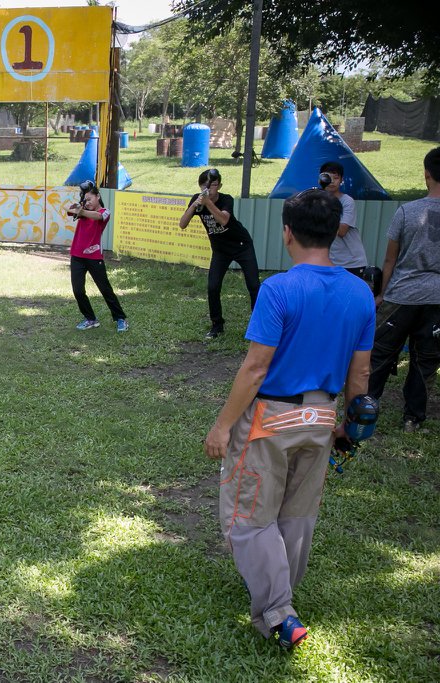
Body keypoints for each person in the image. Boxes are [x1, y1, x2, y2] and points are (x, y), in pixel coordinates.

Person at [203, 190, 374, 648]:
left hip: (270, 416)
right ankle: (280, 590)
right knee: (297, 512)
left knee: (248, 514)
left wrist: (222, 426)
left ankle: (279, 612)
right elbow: (361, 373)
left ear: (288, 233)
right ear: (334, 232)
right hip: (323, 415)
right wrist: (349, 428)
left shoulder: (280, 289)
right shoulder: (360, 292)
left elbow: (256, 368)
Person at [367, 147, 440, 433]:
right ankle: (413, 419)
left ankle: (366, 410)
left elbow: (390, 259)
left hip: (401, 295)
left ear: (426, 175)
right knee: (426, 360)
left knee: (380, 353)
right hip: (437, 300)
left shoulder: (407, 212)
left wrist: (382, 292)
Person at [179, 168, 261, 339]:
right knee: (213, 286)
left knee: (253, 285)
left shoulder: (226, 199)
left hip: (241, 245)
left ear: (220, 185)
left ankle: (259, 323)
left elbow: (223, 220)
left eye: (213, 185)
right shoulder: (198, 199)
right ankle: (217, 325)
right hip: (220, 250)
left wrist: (208, 203)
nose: (208, 188)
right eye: (205, 185)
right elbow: (182, 224)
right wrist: (195, 205)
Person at [67, 184, 128, 332]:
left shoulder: (104, 212)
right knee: (78, 290)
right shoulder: (83, 210)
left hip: (94, 257)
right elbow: (69, 210)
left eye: (90, 199)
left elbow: (98, 216)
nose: (87, 202)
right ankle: (90, 319)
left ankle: (120, 318)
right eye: (85, 199)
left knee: (105, 289)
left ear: (98, 196)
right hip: (77, 256)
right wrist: (80, 207)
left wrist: (82, 211)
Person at [320, 161, 369, 278]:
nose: (332, 181)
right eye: (327, 177)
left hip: (351, 262)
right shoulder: (316, 200)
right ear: (321, 179)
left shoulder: (347, 201)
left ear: (342, 180)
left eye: (336, 178)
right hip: (328, 261)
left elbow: (342, 231)